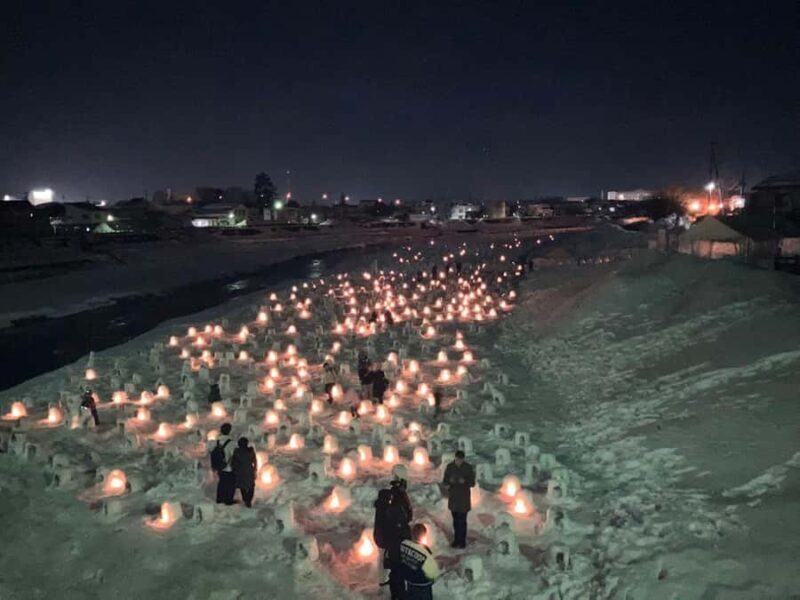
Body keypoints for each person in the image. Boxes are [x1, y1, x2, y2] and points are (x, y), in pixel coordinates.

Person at [374, 487, 412, 600]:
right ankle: (398, 594)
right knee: (397, 571)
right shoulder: (390, 511)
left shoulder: (381, 508)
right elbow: (405, 519)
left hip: (384, 542)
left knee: (391, 569)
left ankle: (390, 589)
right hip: (392, 544)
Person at [442, 450, 475, 548]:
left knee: (462, 521)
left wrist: (465, 481)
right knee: (456, 521)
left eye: (460, 460)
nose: (458, 462)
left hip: (463, 498)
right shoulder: (450, 467)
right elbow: (445, 480)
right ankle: (456, 540)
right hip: (454, 498)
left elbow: (472, 483)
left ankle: (462, 541)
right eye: (457, 460)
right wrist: (448, 483)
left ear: (463, 459)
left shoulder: (468, 468)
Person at [400, 524, 439, 600]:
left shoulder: (403, 544)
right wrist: (433, 579)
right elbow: (432, 572)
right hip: (423, 585)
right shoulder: (425, 553)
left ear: (412, 534)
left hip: (410, 581)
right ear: (423, 536)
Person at [211, 423, 236, 505]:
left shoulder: (216, 442)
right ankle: (228, 500)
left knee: (221, 482)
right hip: (229, 467)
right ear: (230, 431)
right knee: (230, 483)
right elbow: (234, 455)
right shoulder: (232, 443)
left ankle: (219, 499)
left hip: (220, 466)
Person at [232, 436, 257, 507]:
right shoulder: (250, 451)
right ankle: (249, 500)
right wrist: (254, 469)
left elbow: (234, 463)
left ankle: (245, 499)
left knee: (242, 486)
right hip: (249, 471)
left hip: (240, 472)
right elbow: (254, 461)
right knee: (251, 486)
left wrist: (235, 470)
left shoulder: (237, 452)